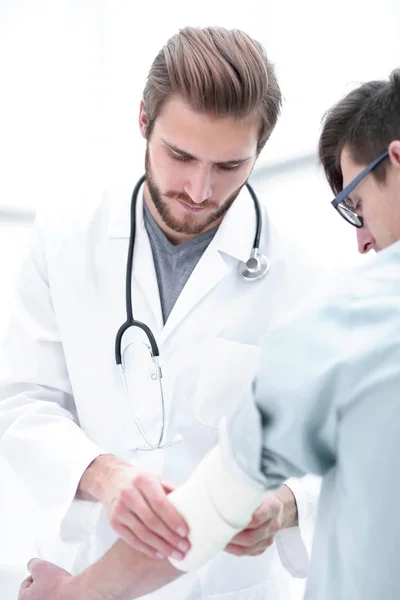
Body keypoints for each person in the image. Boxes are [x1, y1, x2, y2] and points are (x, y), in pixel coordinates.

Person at [18, 67, 400, 600]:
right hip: (95, 547)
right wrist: (101, 474)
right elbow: (20, 398)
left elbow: (270, 479)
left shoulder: (320, 276)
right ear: (144, 121)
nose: (200, 190)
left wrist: (283, 502)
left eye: (228, 166)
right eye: (180, 157)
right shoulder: (67, 235)